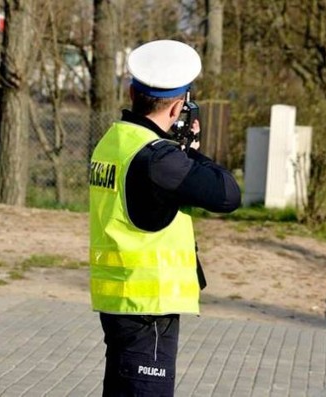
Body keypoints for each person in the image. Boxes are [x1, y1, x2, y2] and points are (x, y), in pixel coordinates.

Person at [89, 39, 241, 396]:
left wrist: (180, 150)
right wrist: (191, 152)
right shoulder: (160, 159)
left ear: (131, 92)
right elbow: (226, 194)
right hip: (148, 308)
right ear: (177, 109)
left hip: (120, 299)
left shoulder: (115, 140)